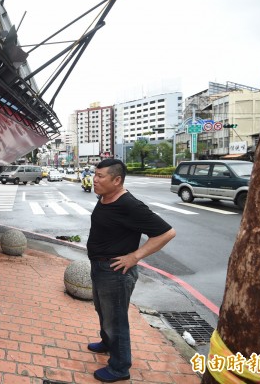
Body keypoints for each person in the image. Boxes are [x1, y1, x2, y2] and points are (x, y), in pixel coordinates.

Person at [86, 159, 175, 383]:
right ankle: (107, 343)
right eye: (94, 174)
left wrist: (134, 257)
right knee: (103, 312)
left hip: (115, 273)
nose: (94, 179)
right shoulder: (104, 197)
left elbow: (167, 233)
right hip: (99, 266)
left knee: (116, 319)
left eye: (100, 176)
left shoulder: (130, 205)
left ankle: (119, 367)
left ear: (117, 180)